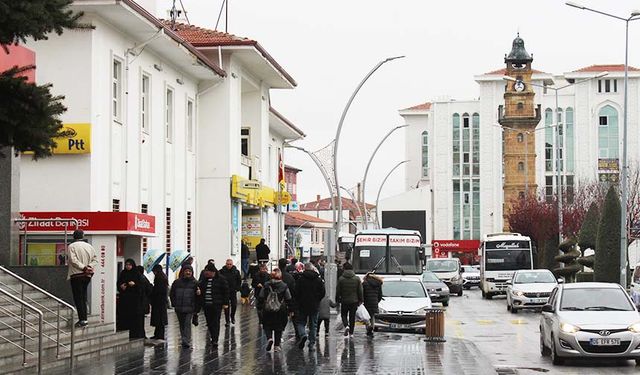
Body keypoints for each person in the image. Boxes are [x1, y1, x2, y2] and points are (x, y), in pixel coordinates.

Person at [66, 229, 97, 327]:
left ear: (73, 237)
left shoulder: (71, 246)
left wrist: (83, 268)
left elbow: (73, 260)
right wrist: (89, 267)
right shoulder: (89, 246)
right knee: (83, 296)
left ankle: (82, 319)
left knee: (78, 297)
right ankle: (85, 318)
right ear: (83, 236)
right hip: (87, 275)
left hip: (76, 274)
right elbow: (95, 259)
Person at [258, 268, 291, 352]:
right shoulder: (284, 285)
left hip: (267, 308)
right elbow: (288, 298)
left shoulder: (266, 285)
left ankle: (269, 338)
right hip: (280, 308)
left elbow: (261, 296)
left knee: (267, 325)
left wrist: (260, 306)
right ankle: (276, 345)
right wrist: (290, 308)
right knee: (278, 327)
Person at [295, 262, 326, 350]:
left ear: (305, 269)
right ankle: (311, 344)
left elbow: (296, 292)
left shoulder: (300, 279)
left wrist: (299, 301)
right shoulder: (318, 279)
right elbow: (323, 292)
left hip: (302, 305)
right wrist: (317, 300)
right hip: (314, 305)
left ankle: (303, 334)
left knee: (301, 322)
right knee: (313, 325)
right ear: (312, 269)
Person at [198, 264, 229, 347]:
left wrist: (225, 303)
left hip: (216, 304)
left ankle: (215, 339)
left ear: (212, 272)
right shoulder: (204, 280)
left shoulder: (221, 279)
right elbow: (200, 287)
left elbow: (226, 291)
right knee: (209, 322)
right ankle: (212, 336)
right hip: (206, 305)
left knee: (215, 321)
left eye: (207, 271)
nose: (206, 273)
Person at [170, 265, 200, 348]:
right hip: (179, 307)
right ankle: (184, 338)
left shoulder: (195, 283)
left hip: (190, 308)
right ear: (183, 272)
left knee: (187, 324)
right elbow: (172, 294)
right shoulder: (177, 282)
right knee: (181, 324)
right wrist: (174, 303)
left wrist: (196, 308)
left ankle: (186, 340)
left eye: (189, 271)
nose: (188, 272)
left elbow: (199, 297)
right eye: (186, 271)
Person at [117, 259, 145, 339]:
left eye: (129, 265)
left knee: (134, 318)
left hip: (134, 301)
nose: (128, 266)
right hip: (124, 300)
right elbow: (119, 283)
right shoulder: (123, 273)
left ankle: (134, 334)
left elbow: (141, 287)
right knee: (125, 316)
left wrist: (135, 285)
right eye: (126, 265)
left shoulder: (137, 274)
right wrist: (121, 286)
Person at [335, 262, 362, 337]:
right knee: (352, 316)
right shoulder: (357, 279)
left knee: (343, 314)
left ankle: (346, 325)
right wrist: (361, 300)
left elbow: (338, 291)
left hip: (344, 300)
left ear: (344, 269)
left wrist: (337, 299)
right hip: (354, 301)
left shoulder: (341, 279)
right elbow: (360, 290)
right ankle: (351, 333)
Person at [278, 258, 298, 338]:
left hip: (277, 301)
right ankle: (298, 332)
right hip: (288, 300)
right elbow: (293, 290)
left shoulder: (275, 275)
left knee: (278, 319)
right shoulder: (290, 277)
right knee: (293, 317)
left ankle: (279, 334)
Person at [219, 258, 241, 326]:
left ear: (232, 264)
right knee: (226, 306)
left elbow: (239, 280)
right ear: (225, 264)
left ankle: (232, 316)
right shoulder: (221, 271)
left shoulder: (236, 271)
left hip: (233, 291)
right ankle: (227, 320)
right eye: (228, 264)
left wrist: (237, 288)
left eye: (230, 264)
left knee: (234, 305)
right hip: (225, 291)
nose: (229, 265)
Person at [150, 264, 168, 340]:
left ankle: (158, 335)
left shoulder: (159, 278)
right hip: (162, 302)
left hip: (158, 302)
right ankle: (158, 334)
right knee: (161, 320)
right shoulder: (164, 277)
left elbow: (157, 290)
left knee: (159, 319)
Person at [362, 272, 383, 337]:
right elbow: (380, 295)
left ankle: (368, 327)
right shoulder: (378, 284)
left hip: (366, 302)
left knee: (366, 316)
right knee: (372, 316)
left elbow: (362, 293)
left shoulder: (364, 283)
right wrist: (377, 301)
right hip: (374, 302)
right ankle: (372, 328)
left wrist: (362, 301)